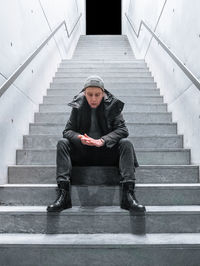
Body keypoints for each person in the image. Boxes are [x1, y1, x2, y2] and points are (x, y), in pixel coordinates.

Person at [47, 75, 145, 213]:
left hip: (106, 151)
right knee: (62, 143)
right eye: (89, 94)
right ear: (84, 93)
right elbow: (67, 131)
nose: (93, 98)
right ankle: (63, 195)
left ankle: (128, 196)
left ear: (103, 93)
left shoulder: (112, 105)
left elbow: (123, 130)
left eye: (97, 95)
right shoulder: (78, 104)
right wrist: (80, 138)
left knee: (126, 143)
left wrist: (102, 141)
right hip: (84, 153)